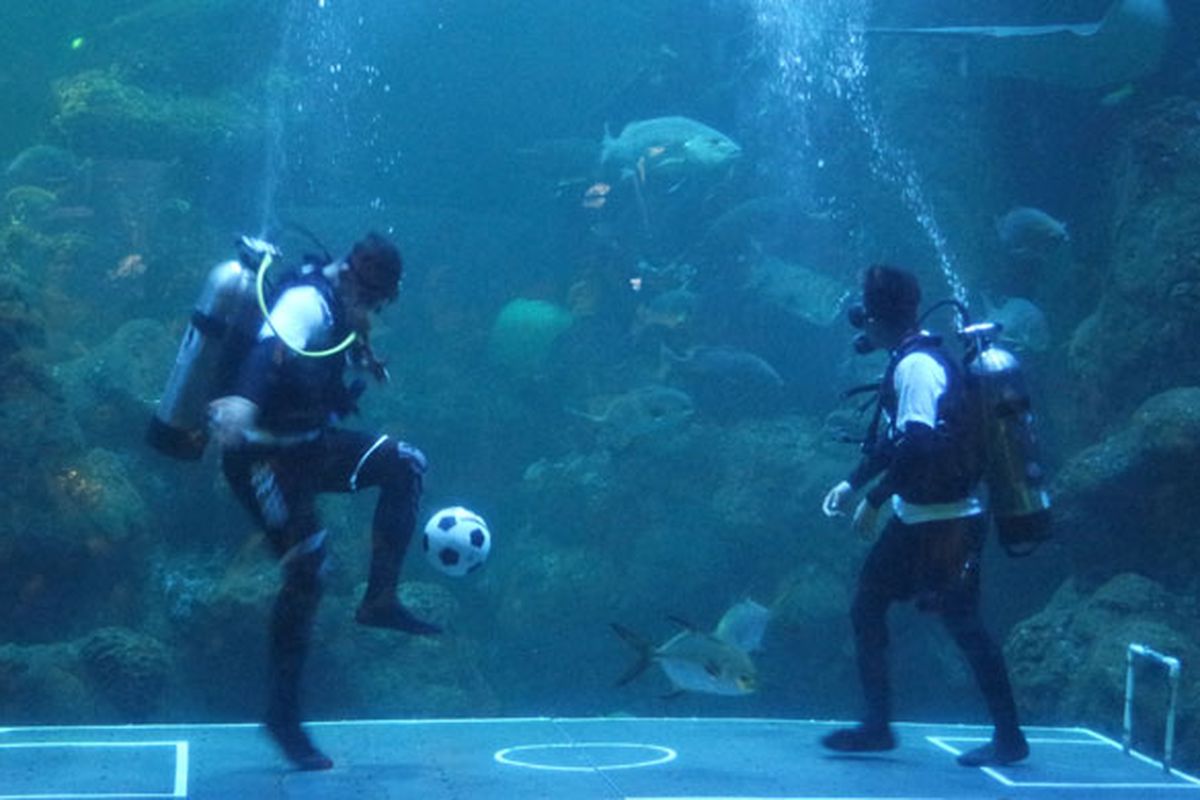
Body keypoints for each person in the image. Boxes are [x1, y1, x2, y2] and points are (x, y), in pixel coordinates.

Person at [208, 232, 439, 771]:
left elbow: (333, 348)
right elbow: (269, 350)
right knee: (308, 571)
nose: (376, 310)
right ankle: (283, 719)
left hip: (310, 447)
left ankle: (380, 600)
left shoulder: (343, 305)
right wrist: (243, 403)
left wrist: (366, 358)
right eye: (375, 299)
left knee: (405, 463)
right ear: (355, 280)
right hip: (263, 459)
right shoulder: (305, 302)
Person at [819, 264, 1029, 768]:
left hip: (947, 522)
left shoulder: (916, 367)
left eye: (865, 314)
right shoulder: (912, 359)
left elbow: (917, 443)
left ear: (876, 319)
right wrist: (852, 482)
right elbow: (895, 442)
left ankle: (1008, 737)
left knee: (961, 623)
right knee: (871, 605)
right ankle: (878, 726)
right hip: (922, 516)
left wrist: (874, 499)